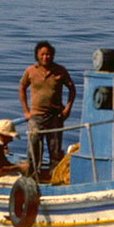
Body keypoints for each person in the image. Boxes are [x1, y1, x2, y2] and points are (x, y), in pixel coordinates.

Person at [19, 41, 76, 177]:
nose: (46, 57)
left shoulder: (60, 70)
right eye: (42, 54)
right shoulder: (30, 71)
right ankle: (31, 177)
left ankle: (54, 177)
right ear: (37, 55)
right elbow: (22, 88)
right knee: (34, 150)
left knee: (55, 151)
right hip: (36, 117)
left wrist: (67, 109)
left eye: (48, 54)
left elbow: (72, 89)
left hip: (55, 117)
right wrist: (26, 111)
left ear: (52, 55)